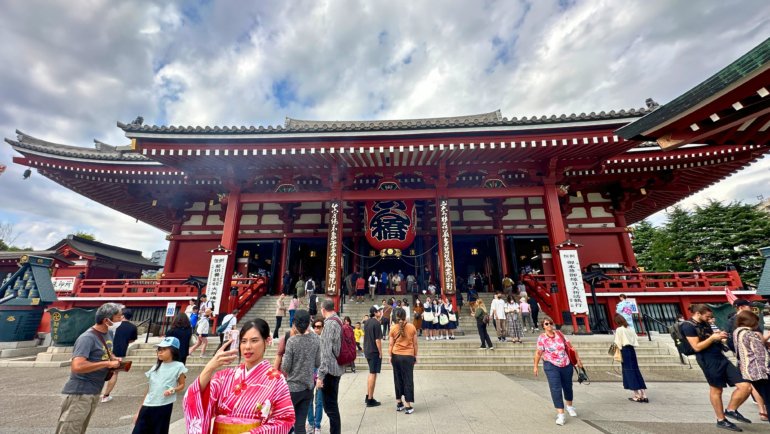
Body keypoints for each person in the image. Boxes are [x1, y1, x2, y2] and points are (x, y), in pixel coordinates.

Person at [183, 318, 294, 433]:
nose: (247, 347)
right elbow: (195, 397)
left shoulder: (276, 380)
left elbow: (285, 419)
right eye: (243, 341)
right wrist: (209, 367)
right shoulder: (225, 376)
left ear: (267, 341)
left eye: (254, 340)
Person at [682, 304, 752, 431]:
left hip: (720, 356)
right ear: (698, 314)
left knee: (745, 385)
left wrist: (719, 337)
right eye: (707, 316)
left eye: (711, 317)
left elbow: (710, 338)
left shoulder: (705, 324)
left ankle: (731, 409)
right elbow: (696, 347)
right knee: (716, 390)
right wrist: (713, 337)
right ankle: (721, 419)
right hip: (707, 359)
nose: (710, 319)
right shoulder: (688, 326)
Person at [56, 302, 124, 434]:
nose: (121, 319)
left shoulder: (108, 334)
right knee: (70, 429)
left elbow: (104, 352)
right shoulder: (87, 338)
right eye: (119, 317)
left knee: (80, 428)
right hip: (80, 392)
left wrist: (113, 359)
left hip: (94, 389)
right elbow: (77, 366)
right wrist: (106, 364)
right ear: (106, 320)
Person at [132, 336, 188, 434]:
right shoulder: (155, 367)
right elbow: (149, 389)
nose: (160, 352)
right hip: (147, 405)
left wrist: (173, 390)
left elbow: (182, 384)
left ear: (173, 351)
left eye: (164, 349)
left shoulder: (179, 366)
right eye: (159, 350)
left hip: (163, 406)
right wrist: (139, 411)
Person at [533, 318, 580, 426]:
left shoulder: (560, 334)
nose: (549, 325)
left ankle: (569, 406)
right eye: (546, 324)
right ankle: (561, 414)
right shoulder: (541, 338)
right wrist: (535, 366)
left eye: (551, 323)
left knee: (568, 386)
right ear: (543, 326)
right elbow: (538, 353)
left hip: (566, 363)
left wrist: (578, 360)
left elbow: (571, 347)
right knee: (555, 388)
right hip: (551, 365)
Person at [282, 310, 321, 434]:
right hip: (308, 387)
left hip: (293, 388)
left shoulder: (292, 342)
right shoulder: (316, 339)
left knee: (286, 424)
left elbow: (285, 367)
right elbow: (317, 363)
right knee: (300, 425)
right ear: (309, 322)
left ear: (294, 323)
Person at [732, 310, 770, 425]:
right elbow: (761, 355)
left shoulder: (737, 332)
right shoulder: (750, 334)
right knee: (769, 398)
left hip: (748, 371)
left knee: (766, 397)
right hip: (759, 371)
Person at [317, 299, 344, 434]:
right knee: (332, 405)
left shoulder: (329, 324)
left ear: (323, 309)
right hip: (336, 367)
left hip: (330, 371)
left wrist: (320, 376)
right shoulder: (338, 320)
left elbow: (326, 353)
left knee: (330, 407)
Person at [101, 308, 138, 402]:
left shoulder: (113, 325)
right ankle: (105, 396)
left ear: (122, 316)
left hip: (105, 349)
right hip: (120, 351)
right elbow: (132, 340)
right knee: (114, 372)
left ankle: (93, 391)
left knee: (99, 370)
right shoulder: (133, 327)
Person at [613, 314, 648, 402]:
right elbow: (636, 338)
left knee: (629, 371)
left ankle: (637, 395)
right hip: (632, 350)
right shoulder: (630, 328)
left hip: (624, 351)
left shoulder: (619, 330)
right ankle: (644, 394)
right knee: (636, 370)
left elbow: (617, 342)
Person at [389, 307, 418, 414]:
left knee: (397, 378)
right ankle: (408, 405)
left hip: (396, 355)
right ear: (405, 316)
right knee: (408, 379)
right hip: (408, 356)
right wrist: (415, 355)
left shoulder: (393, 328)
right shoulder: (412, 327)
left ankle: (399, 403)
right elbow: (415, 344)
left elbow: (391, 344)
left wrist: (389, 356)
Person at [307, 319, 325, 434]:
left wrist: (321, 375)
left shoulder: (325, 340)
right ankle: (311, 423)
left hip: (321, 371)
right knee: (309, 400)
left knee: (319, 401)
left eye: (319, 326)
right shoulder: (309, 340)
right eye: (315, 326)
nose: (317, 328)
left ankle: (317, 425)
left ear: (323, 327)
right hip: (309, 371)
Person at [364, 305, 384, 407]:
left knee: (371, 373)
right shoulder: (376, 323)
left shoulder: (367, 322)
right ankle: (370, 399)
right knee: (373, 373)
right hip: (374, 351)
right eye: (379, 311)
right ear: (375, 313)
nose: (381, 312)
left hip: (367, 350)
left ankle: (368, 395)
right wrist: (380, 352)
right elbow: (377, 340)